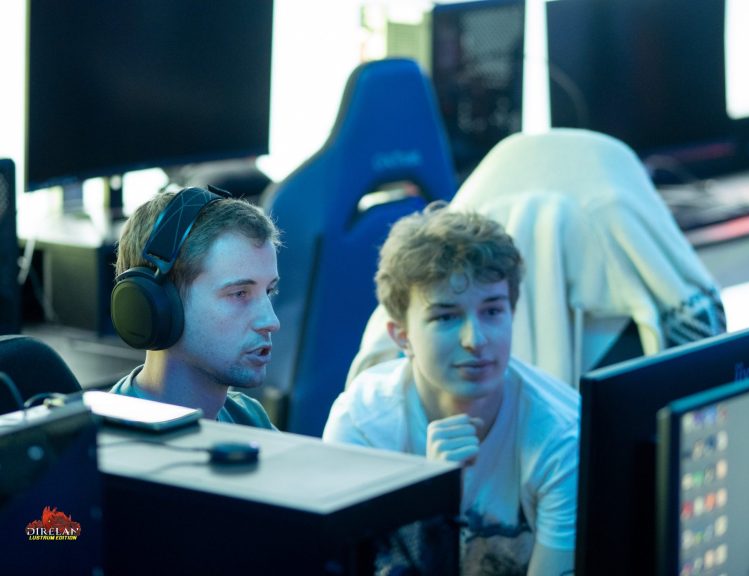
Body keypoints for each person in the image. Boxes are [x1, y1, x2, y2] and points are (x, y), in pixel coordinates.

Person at [323, 202, 580, 575]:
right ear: (402, 336)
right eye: (446, 317)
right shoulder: (363, 425)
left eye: (492, 311)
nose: (475, 340)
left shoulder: (561, 433)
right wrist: (432, 498)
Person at [110, 187, 280, 429]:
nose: (271, 321)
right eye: (239, 294)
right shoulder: (106, 443)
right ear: (159, 306)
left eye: (269, 291)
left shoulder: (249, 418)